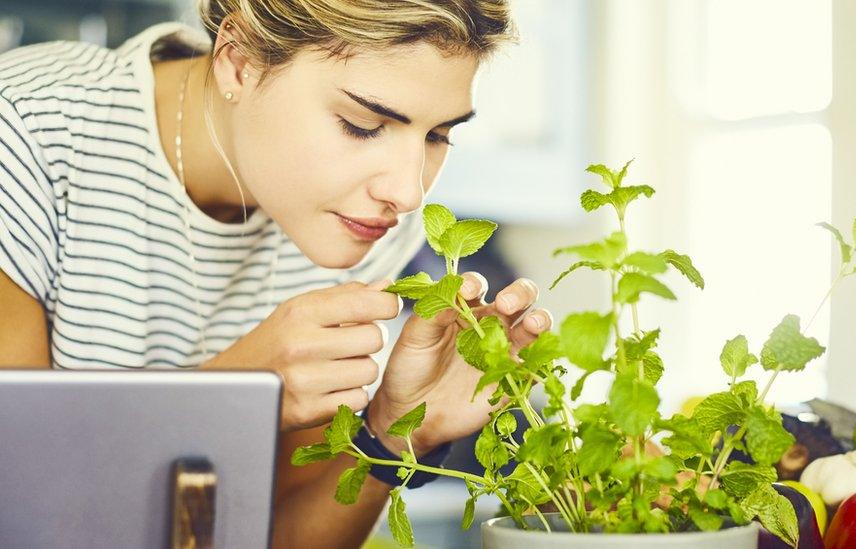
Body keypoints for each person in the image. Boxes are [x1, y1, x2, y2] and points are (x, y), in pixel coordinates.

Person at [0, 1, 552, 546]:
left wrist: (394, 433)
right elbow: (19, 509)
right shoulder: (27, 135)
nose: (407, 193)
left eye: (437, 136)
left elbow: (279, 536)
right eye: (362, 125)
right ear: (238, 61)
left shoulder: (362, 224)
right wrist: (230, 395)